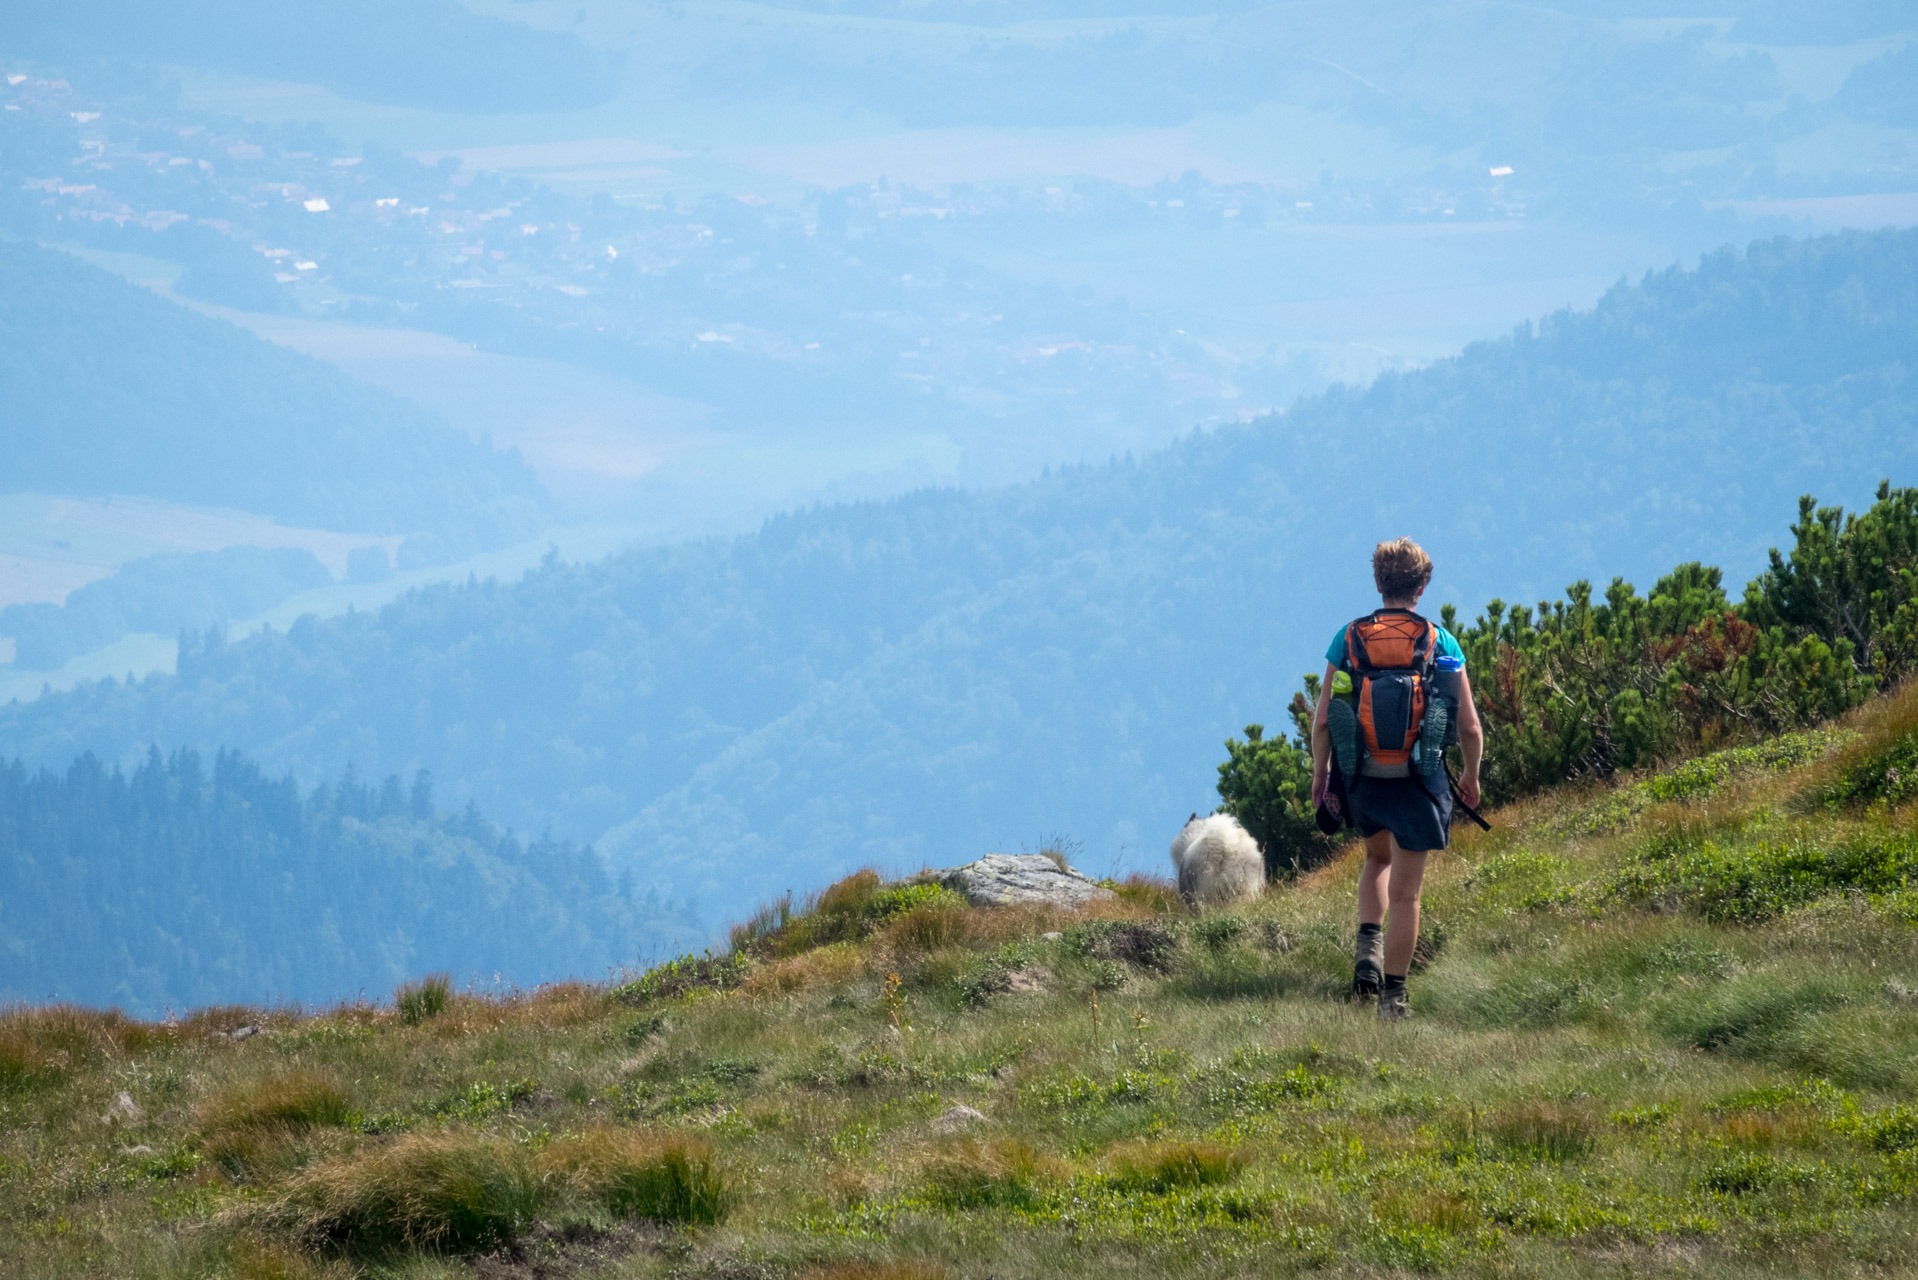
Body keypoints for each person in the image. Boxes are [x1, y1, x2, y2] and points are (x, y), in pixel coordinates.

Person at [1310, 537, 1483, 1021]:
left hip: (1362, 773)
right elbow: (1468, 725)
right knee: (1408, 893)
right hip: (1419, 776)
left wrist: (1321, 775)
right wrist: (1471, 775)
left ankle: (1368, 956)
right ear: (1422, 586)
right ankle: (1394, 997)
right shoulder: (1439, 642)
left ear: (1378, 582)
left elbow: (1323, 719)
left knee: (1375, 859)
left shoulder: (1348, 638)